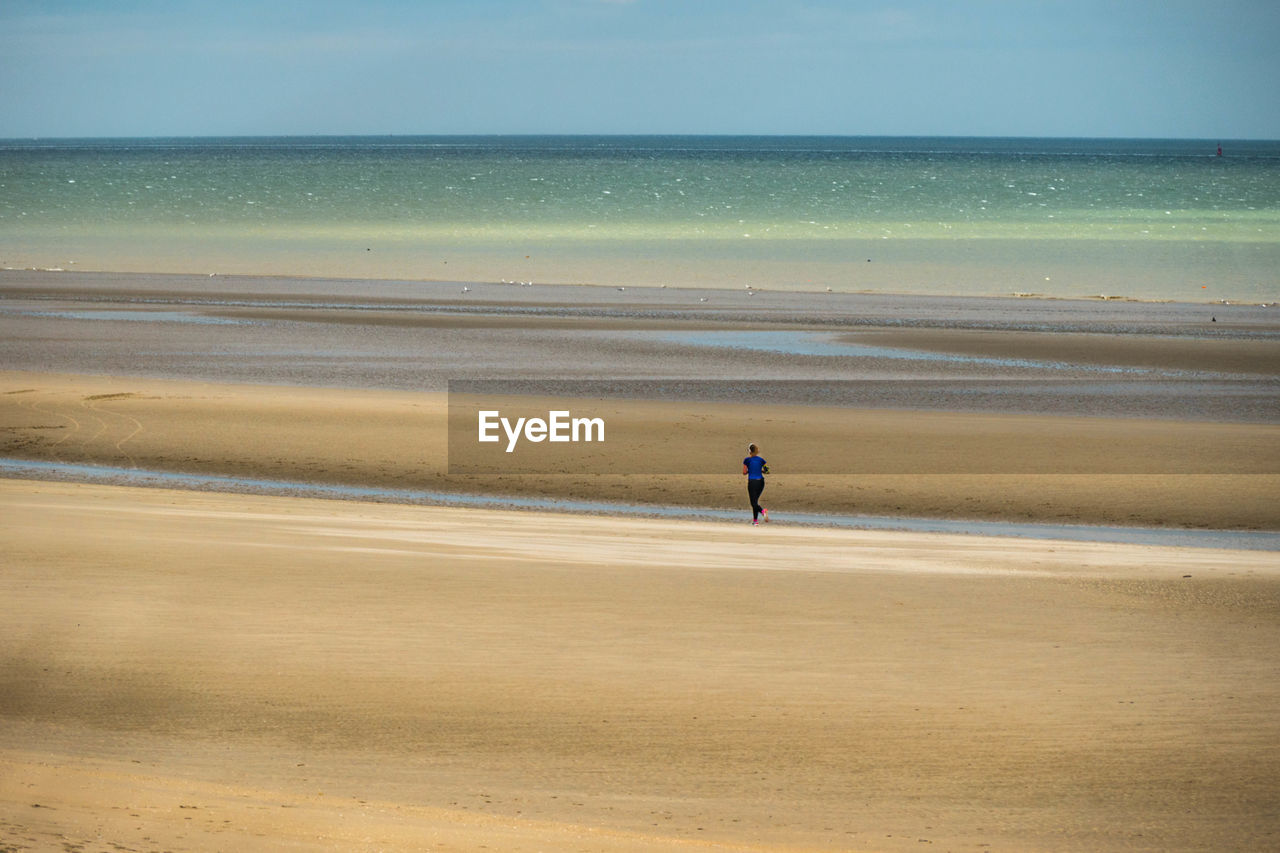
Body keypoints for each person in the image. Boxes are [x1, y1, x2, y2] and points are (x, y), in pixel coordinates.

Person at [742, 443, 768, 525]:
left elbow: (744, 472)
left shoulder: (747, 460)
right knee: (755, 502)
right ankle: (755, 521)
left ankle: (762, 511)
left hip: (752, 482)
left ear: (749, 451)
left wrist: (751, 470)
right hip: (761, 482)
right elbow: (767, 470)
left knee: (753, 503)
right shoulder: (761, 460)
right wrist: (760, 470)